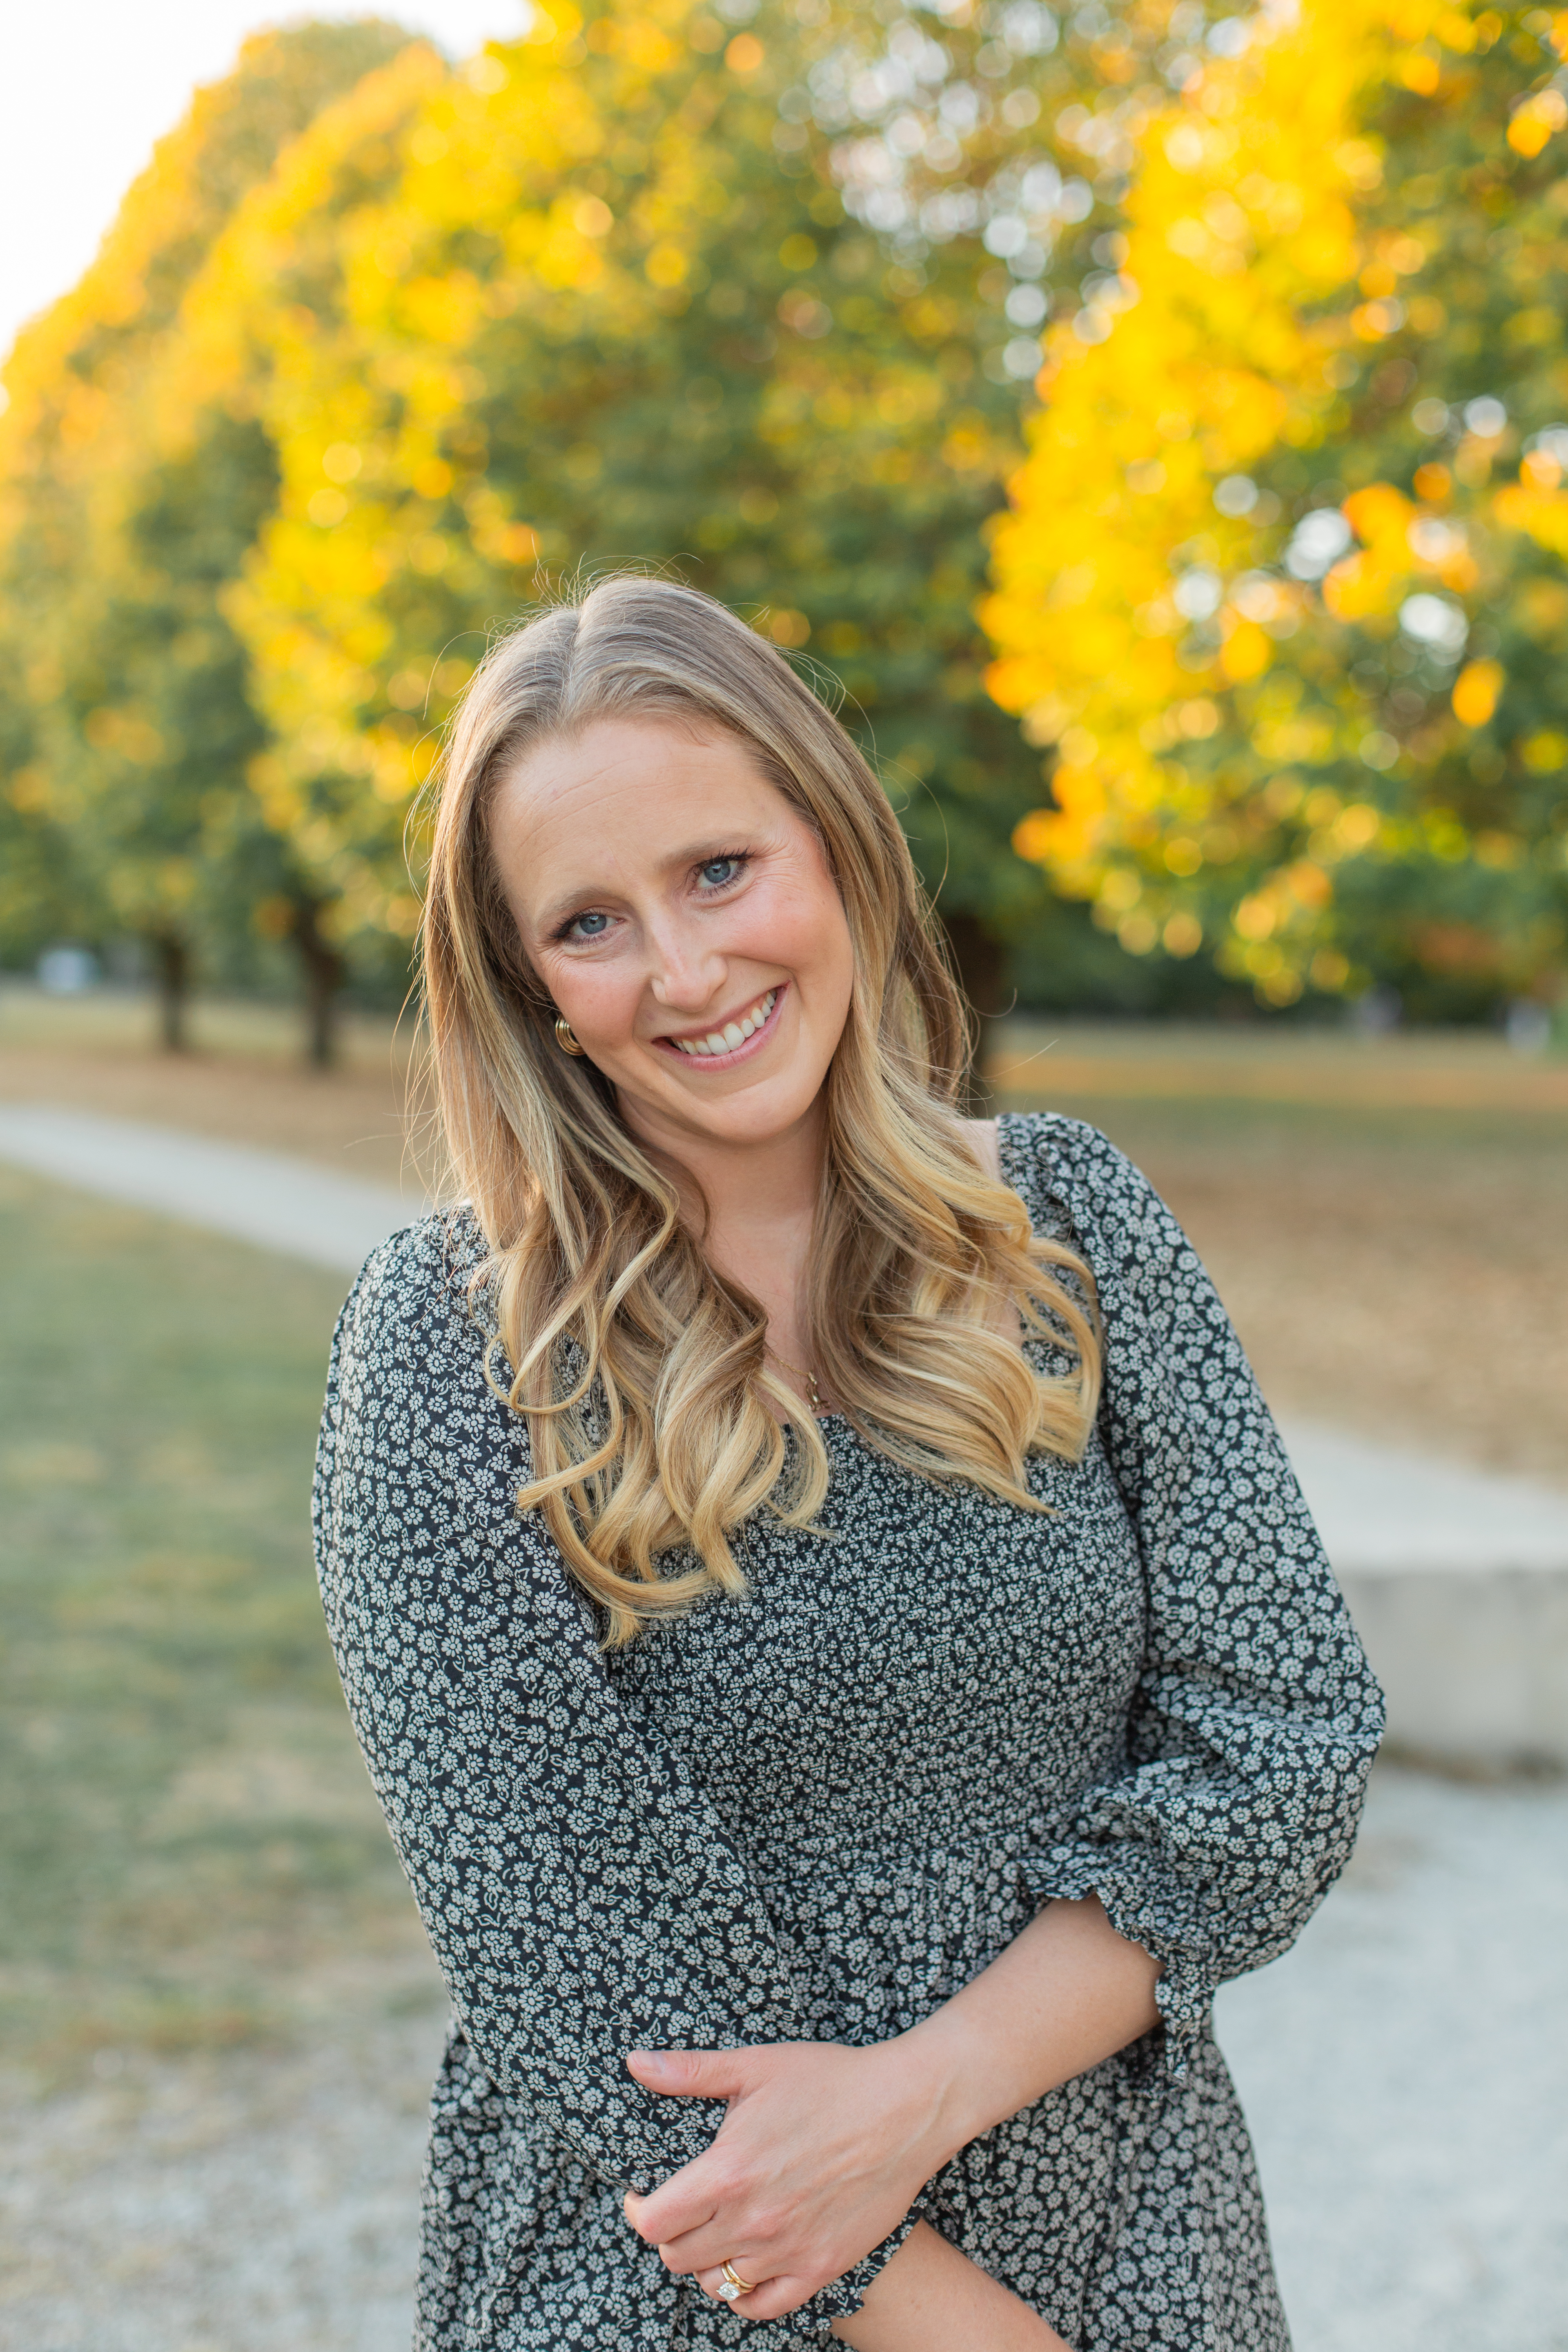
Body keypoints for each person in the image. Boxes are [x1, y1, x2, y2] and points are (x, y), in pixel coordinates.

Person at [314, 575, 1384, 2351]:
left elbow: (1285, 1744)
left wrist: (928, 2093)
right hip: (675, 2276)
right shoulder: (449, 1341)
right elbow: (559, 1938)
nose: (683, 971)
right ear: (530, 993)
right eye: (589, 923)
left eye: (720, 871)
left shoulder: (1071, 1222)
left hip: (1125, 2231)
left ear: (836, 850)